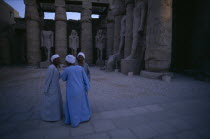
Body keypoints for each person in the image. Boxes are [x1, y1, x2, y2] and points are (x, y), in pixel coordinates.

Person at [61, 55, 91, 127]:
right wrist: (87, 87)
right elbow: (85, 79)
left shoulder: (67, 69)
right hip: (81, 89)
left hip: (72, 91)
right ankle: (84, 118)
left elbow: (63, 78)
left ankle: (74, 121)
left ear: (67, 62)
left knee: (73, 106)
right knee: (81, 104)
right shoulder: (80, 68)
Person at [41, 54, 63, 121]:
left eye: (59, 59)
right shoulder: (51, 67)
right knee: (51, 103)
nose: (59, 60)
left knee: (56, 103)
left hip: (56, 88)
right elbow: (48, 79)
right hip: (51, 89)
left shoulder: (56, 67)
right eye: (57, 59)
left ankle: (56, 116)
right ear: (53, 60)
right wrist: (46, 89)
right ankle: (50, 118)